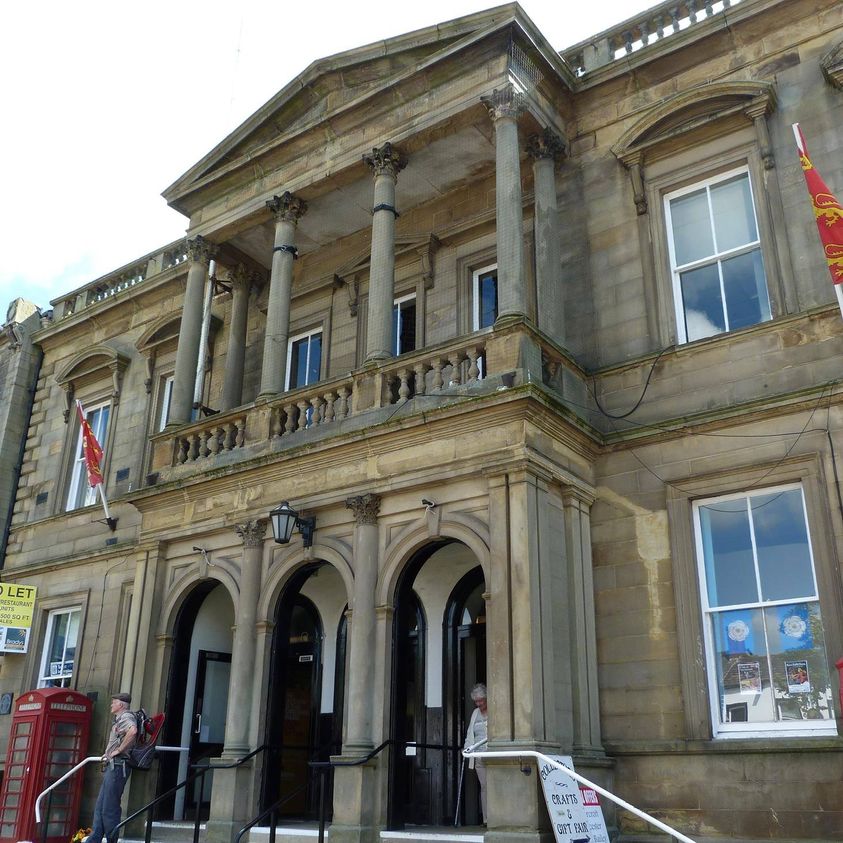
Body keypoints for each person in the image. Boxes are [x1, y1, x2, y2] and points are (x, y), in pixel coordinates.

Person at [85, 692, 138, 843]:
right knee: (100, 806)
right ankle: (94, 838)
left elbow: (133, 731)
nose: (111, 705)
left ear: (121, 704)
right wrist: (108, 753)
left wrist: (119, 750)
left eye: (113, 702)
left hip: (119, 766)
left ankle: (111, 840)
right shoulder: (120, 719)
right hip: (113, 766)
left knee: (109, 807)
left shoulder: (126, 717)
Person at [462, 683, 488, 824]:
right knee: (484, 786)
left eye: (481, 700)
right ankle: (486, 819)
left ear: (486, 698)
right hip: (479, 755)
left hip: (493, 754)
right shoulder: (475, 713)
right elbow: (470, 733)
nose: (478, 704)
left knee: (493, 785)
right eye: (476, 701)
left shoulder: (494, 710)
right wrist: (467, 748)